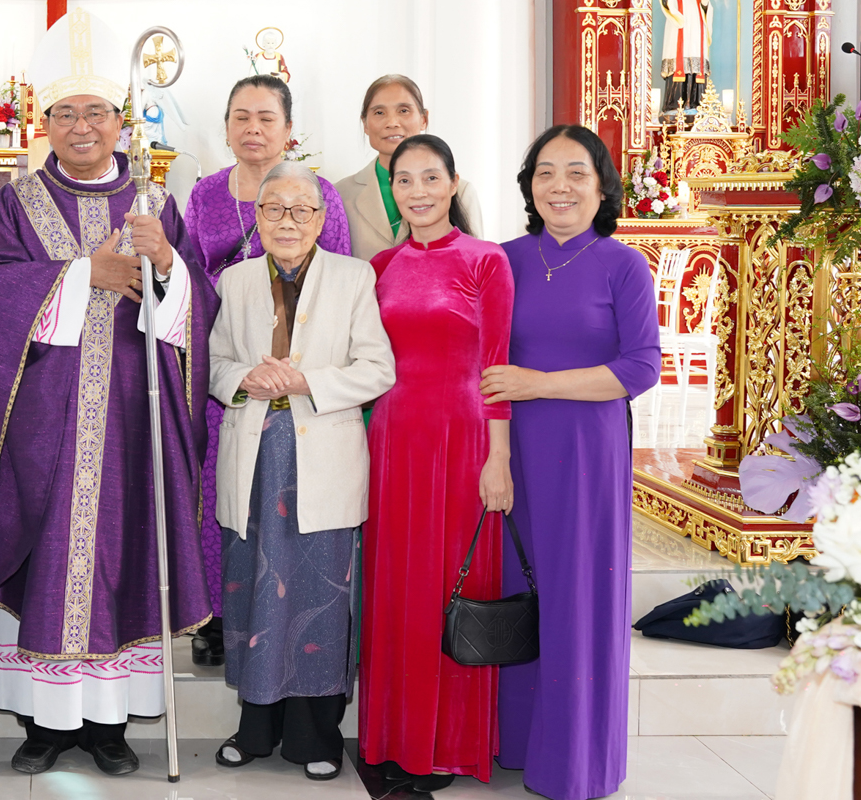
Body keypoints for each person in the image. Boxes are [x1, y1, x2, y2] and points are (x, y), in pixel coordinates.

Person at [0, 8, 217, 777]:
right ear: (44, 122)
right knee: (47, 556)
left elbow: (194, 312)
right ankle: (43, 725)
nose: (81, 127)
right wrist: (87, 274)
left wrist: (167, 266)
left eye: (96, 112)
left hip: (129, 420)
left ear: (121, 120)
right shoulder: (18, 200)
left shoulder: (155, 203)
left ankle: (109, 726)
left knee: (123, 551)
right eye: (65, 113)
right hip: (43, 420)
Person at [480, 125, 660, 800]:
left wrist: (538, 383)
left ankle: (574, 760)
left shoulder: (623, 265)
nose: (560, 186)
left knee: (578, 599)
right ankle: (514, 743)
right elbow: (483, 358)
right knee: (518, 589)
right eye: (545, 172)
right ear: (529, 186)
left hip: (587, 453)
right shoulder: (502, 260)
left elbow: (640, 368)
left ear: (602, 186)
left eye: (576, 173)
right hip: (511, 450)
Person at [208, 161, 393, 782]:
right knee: (253, 589)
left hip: (323, 458)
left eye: (301, 210)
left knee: (320, 594)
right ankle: (255, 727)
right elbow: (213, 363)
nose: (286, 221)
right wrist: (246, 377)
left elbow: (378, 369)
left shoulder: (354, 277)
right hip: (255, 460)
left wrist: (305, 380)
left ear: (320, 218)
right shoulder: (236, 280)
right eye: (273, 209)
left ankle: (316, 734)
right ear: (258, 217)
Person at [359, 133, 514, 791]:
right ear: (390, 189)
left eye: (430, 178)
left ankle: (447, 742)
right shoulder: (379, 265)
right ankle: (394, 735)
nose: (417, 191)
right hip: (393, 442)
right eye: (404, 180)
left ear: (452, 184)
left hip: (462, 443)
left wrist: (499, 458)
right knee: (394, 589)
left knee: (451, 588)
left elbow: (497, 367)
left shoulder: (486, 261)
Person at [182, 74, 350, 666]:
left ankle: (292, 610)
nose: (253, 129)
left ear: (288, 128)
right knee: (221, 487)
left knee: (291, 491)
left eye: (266, 118)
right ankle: (218, 614)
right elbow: (187, 279)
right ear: (226, 126)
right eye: (241, 117)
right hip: (228, 364)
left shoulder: (320, 194)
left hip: (300, 371)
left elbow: (338, 276)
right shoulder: (204, 196)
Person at [336, 75, 484, 260]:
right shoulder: (341, 194)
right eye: (379, 113)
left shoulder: (460, 191)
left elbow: (476, 261)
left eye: (404, 110)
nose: (392, 122)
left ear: (424, 119)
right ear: (365, 124)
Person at [659, 0, 712, 115]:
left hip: (696, 39)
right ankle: (673, 107)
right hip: (678, 37)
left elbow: (708, 16)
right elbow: (665, 2)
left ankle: (696, 105)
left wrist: (705, 5)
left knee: (695, 70)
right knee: (678, 69)